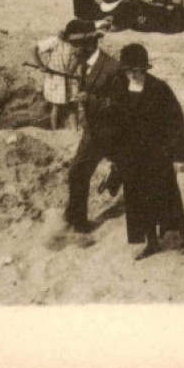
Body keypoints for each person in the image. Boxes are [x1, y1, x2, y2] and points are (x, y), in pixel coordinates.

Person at [113, 43, 184, 257]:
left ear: (144, 68)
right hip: (132, 156)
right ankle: (152, 242)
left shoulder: (159, 89)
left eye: (136, 70)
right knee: (138, 200)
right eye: (128, 70)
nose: (132, 74)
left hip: (158, 155)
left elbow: (176, 122)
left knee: (168, 196)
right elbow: (117, 123)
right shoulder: (121, 89)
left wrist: (179, 155)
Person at [62, 21, 120, 232]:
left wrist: (91, 99)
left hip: (108, 130)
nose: (72, 50)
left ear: (88, 44)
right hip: (93, 129)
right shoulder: (84, 64)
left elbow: (120, 103)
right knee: (78, 171)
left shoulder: (112, 68)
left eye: (75, 46)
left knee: (78, 172)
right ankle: (74, 215)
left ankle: (78, 221)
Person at [32, 23, 82, 131]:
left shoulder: (78, 45)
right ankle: (54, 132)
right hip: (56, 79)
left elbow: (79, 58)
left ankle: (74, 132)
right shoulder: (55, 42)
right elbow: (34, 48)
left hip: (70, 79)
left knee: (73, 106)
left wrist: (73, 70)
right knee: (56, 107)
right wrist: (41, 65)